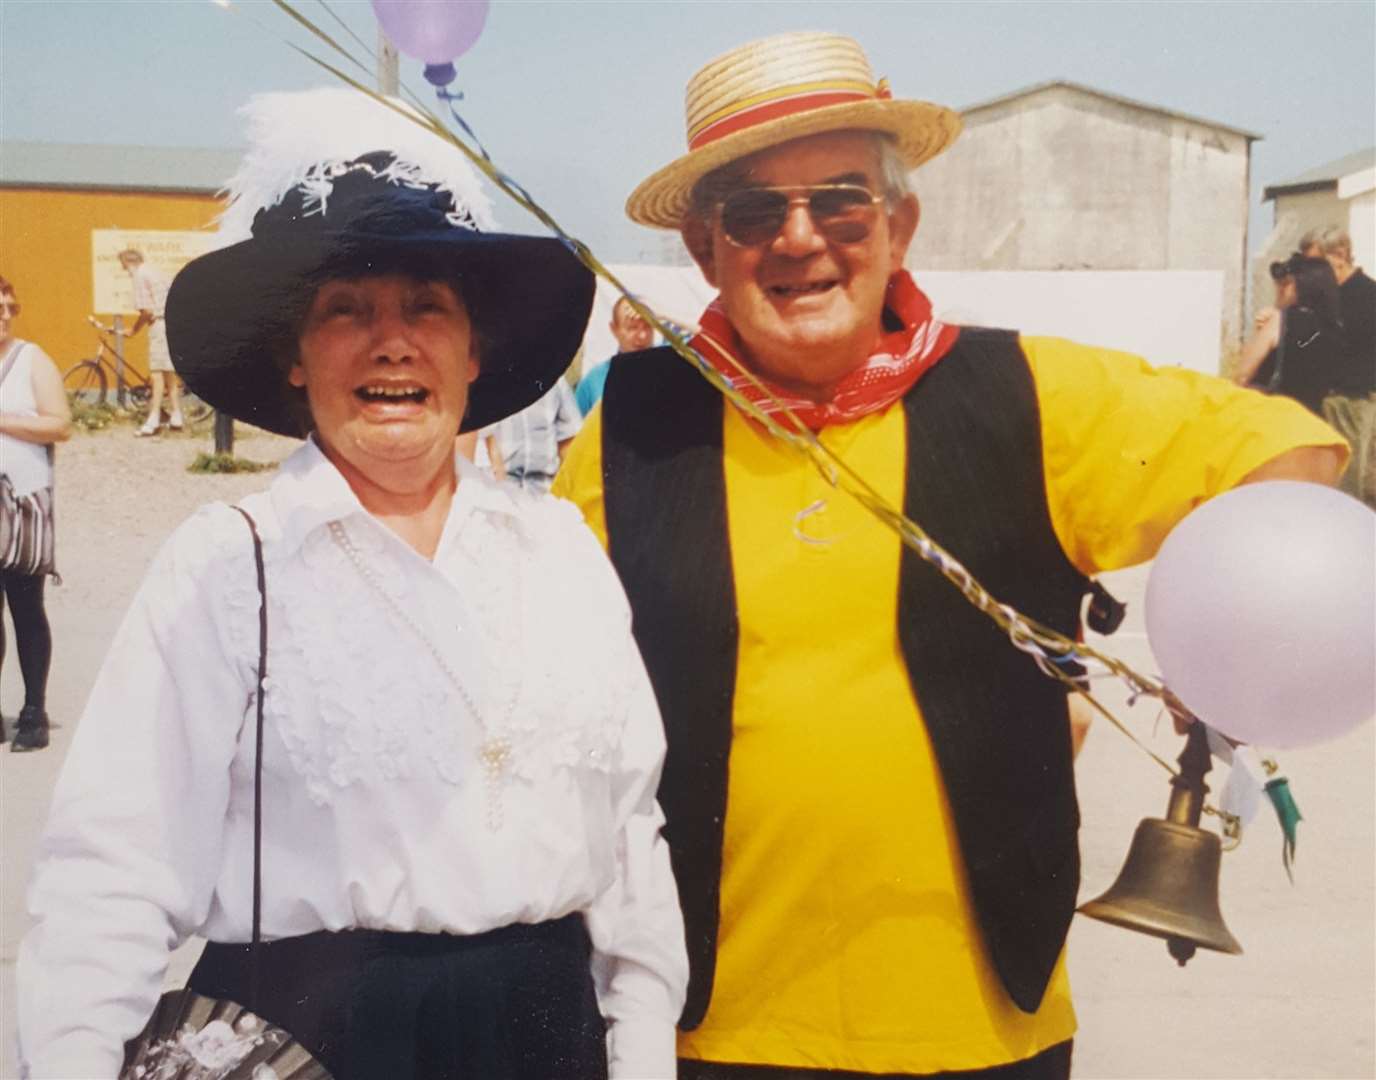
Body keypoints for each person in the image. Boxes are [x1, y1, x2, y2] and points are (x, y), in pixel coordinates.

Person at [554, 30, 1347, 1080]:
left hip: (977, 1037)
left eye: (838, 201)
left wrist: (1235, 644)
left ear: (897, 226)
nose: (799, 240)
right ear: (704, 251)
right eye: (753, 213)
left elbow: (1283, 447)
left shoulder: (1031, 394)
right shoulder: (628, 430)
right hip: (707, 1029)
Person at [17, 88, 686, 1080]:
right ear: (294, 357)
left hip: (547, 1035)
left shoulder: (558, 550)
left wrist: (638, 1051)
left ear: (473, 350)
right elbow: (112, 869)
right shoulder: (229, 561)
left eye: (427, 304)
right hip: (310, 1039)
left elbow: (629, 833)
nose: (392, 339)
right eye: (346, 310)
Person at [0, 274, 71, 752]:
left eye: (9, 305)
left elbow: (59, 425)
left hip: (21, 502)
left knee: (26, 608)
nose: (5, 313)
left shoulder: (31, 360)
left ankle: (33, 712)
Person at [1300, 226, 1376, 504]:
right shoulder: (1325, 297)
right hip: (1325, 399)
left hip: (1349, 401)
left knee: (1345, 488)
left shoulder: (1366, 296)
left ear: (1340, 255)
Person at [1233, 253, 1348, 415]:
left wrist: (1259, 333)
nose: (1278, 289)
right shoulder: (1334, 328)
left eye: (1286, 284)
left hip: (1274, 416)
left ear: (1303, 286)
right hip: (1312, 419)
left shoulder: (1280, 321)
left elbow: (1242, 376)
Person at [118, 248, 185, 436]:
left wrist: (133, 330)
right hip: (172, 324)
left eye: (124, 267)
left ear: (129, 263)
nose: (125, 271)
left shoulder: (140, 275)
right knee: (170, 375)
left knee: (157, 375)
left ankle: (153, 420)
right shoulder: (156, 272)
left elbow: (146, 311)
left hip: (159, 326)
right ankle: (176, 416)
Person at [483, 376, 582, 493]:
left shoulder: (555, 382)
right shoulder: (487, 380)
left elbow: (570, 447)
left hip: (546, 491)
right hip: (498, 490)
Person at [576, 297, 655, 415]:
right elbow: (576, 430)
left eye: (648, 326)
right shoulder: (594, 381)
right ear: (614, 329)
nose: (642, 336)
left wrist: (664, 315)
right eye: (632, 328)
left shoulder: (670, 368)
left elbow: (693, 349)